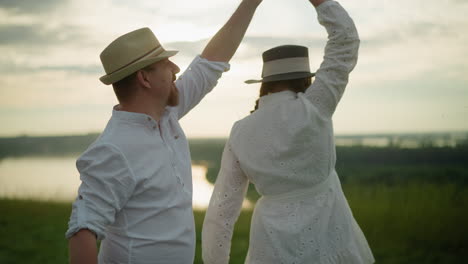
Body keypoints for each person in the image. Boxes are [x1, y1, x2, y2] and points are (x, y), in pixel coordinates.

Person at [65, 1, 264, 263]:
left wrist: (251, 3)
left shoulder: (166, 117)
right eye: (165, 64)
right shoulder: (114, 149)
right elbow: (82, 232)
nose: (176, 69)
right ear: (144, 79)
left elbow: (210, 64)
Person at [202, 0, 374, 263]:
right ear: (307, 80)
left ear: (265, 83)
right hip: (328, 230)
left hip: (270, 242)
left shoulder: (240, 131)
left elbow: (222, 210)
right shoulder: (316, 105)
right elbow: (346, 40)